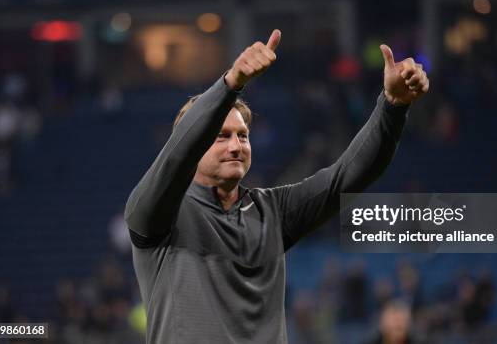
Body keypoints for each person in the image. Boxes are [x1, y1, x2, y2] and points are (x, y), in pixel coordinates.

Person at [124, 29, 429, 343]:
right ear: (195, 143)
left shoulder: (272, 211)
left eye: (242, 136)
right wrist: (230, 84)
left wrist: (392, 107)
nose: (236, 146)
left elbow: (347, 177)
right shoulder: (158, 214)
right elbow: (176, 157)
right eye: (220, 136)